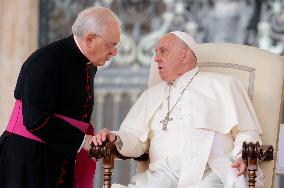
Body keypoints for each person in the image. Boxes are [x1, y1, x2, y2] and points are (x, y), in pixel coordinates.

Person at [92, 31, 264, 188]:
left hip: (212, 169)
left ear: (185, 55)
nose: (156, 58)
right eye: (156, 53)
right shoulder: (150, 96)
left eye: (163, 51)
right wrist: (115, 138)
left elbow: (247, 132)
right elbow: (136, 139)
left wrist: (242, 156)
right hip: (163, 174)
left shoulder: (224, 84)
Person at [0, 6, 120, 188]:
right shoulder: (45, 61)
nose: (114, 52)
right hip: (29, 160)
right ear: (89, 39)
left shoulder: (88, 63)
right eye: (111, 45)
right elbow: (35, 120)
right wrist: (82, 140)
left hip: (59, 154)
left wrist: (93, 138)